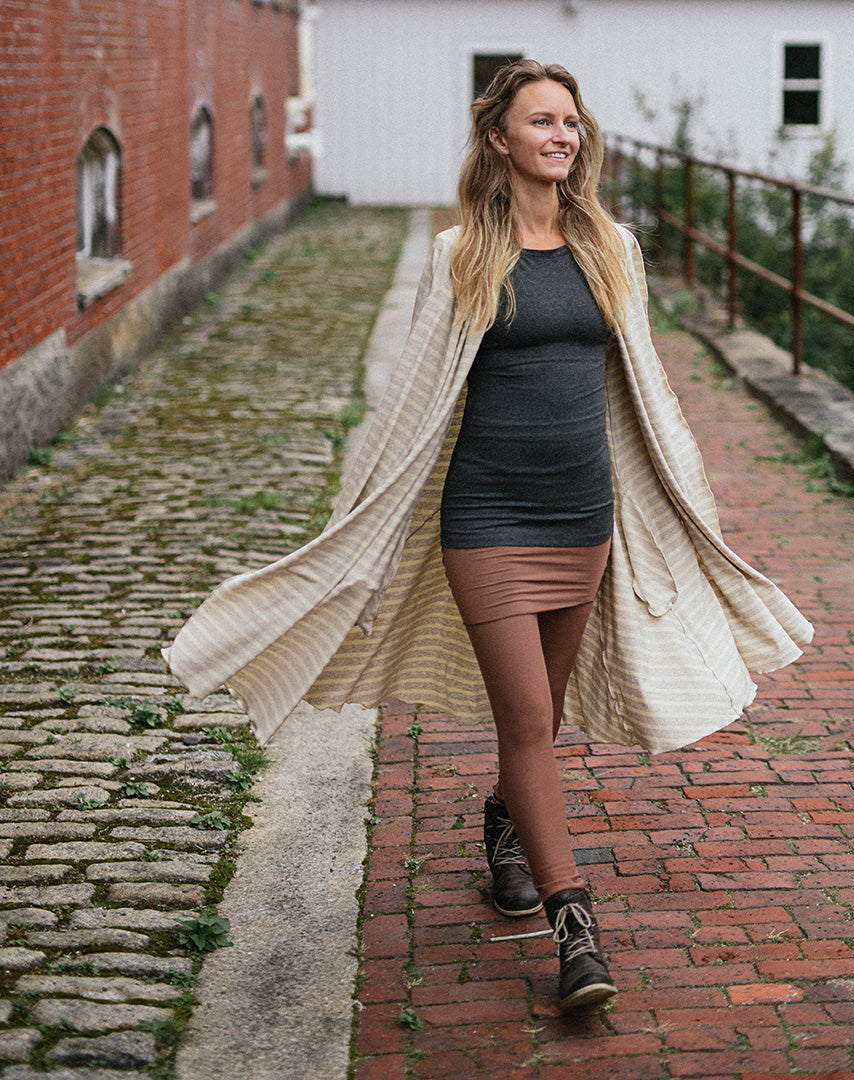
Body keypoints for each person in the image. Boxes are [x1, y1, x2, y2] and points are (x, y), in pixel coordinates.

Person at [163, 60, 812, 1014]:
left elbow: (643, 395)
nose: (563, 136)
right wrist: (359, 520)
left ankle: (505, 831)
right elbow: (418, 398)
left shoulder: (611, 248)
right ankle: (574, 930)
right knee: (526, 728)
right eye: (543, 122)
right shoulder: (460, 253)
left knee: (538, 724)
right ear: (500, 139)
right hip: (488, 521)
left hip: (583, 518)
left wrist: (680, 504)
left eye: (572, 123)